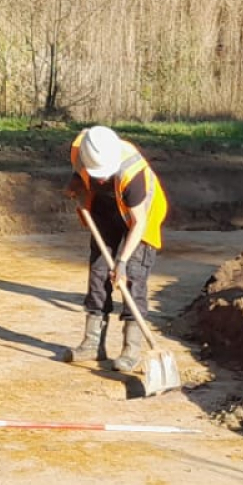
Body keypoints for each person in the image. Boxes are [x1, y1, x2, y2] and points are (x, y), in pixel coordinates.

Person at [61, 125, 169, 374]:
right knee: (98, 274)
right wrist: (74, 185)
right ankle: (92, 344)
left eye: (103, 173)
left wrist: (121, 262)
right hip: (104, 208)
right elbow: (79, 174)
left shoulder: (133, 174)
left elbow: (139, 222)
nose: (100, 178)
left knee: (132, 276)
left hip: (141, 216)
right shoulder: (82, 149)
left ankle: (131, 349)